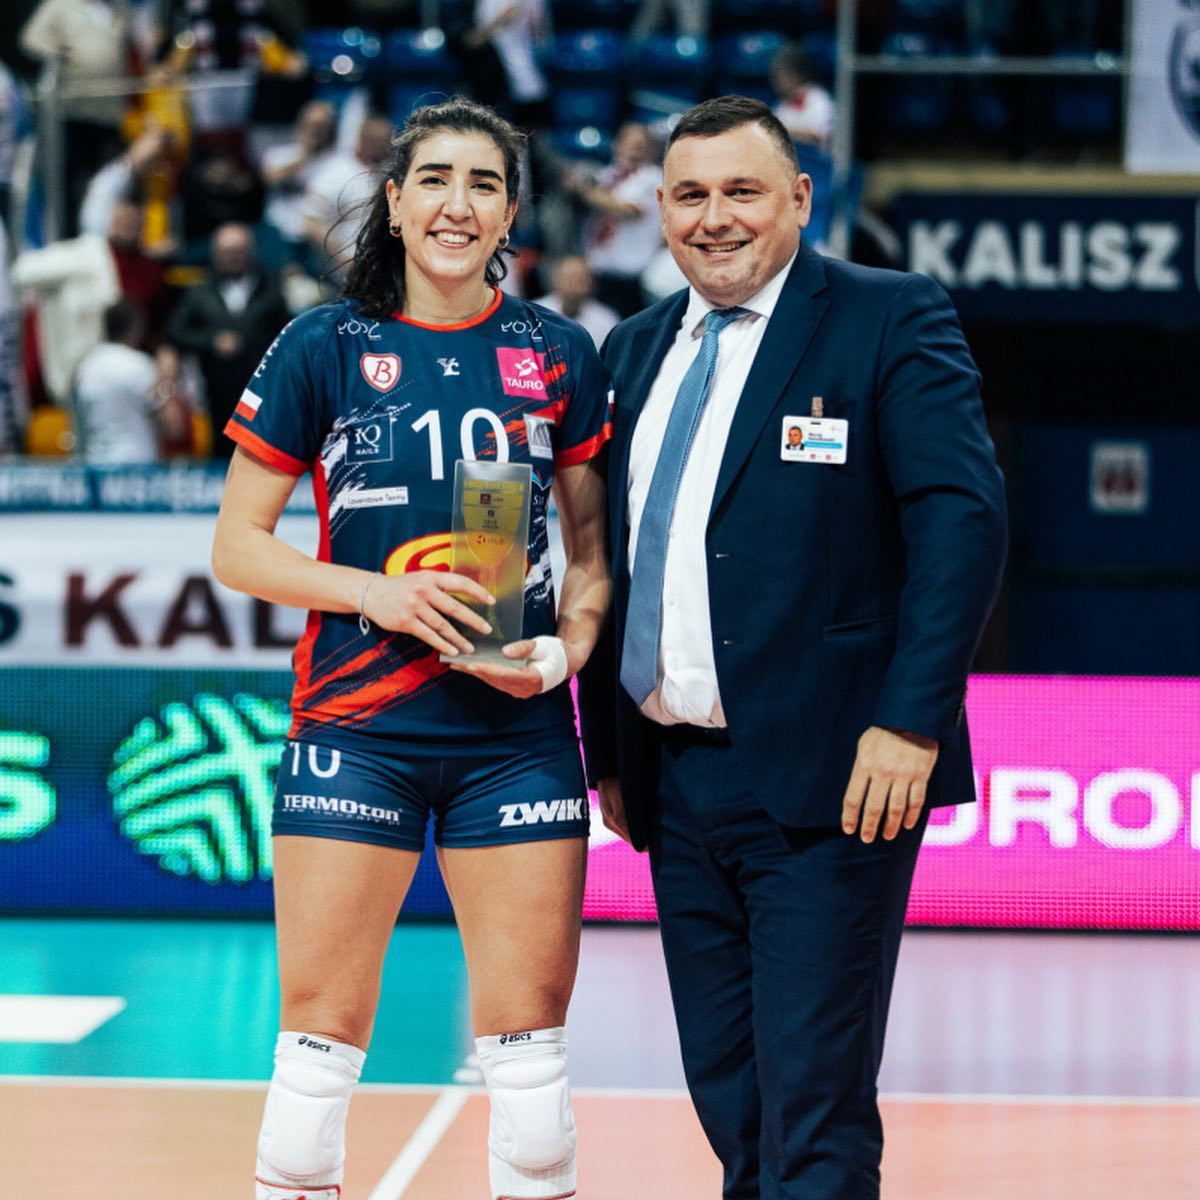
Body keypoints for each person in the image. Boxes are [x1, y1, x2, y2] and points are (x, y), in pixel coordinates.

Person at [577, 96, 1006, 1199]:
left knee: (813, 1105)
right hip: (674, 779)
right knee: (732, 1099)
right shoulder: (632, 348)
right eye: (690, 195)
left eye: (742, 191)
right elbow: (609, 559)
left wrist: (910, 721)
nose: (714, 217)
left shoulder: (887, 316)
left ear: (800, 199)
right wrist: (610, 752)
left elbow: (962, 525)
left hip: (836, 774)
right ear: (660, 209)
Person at [211, 97, 612, 1200]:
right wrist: (373, 596)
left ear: (512, 214)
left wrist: (567, 651)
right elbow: (239, 548)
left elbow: (592, 557)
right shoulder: (324, 344)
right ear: (394, 202)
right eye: (434, 179)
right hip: (357, 732)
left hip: (517, 739)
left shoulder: (558, 352)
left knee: (533, 1092)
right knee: (311, 1079)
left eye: (485, 184)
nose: (457, 204)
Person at [166, 222, 289, 455]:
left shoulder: (271, 289)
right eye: (224, 252)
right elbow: (176, 332)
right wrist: (212, 341)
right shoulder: (199, 291)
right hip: (215, 390)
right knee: (220, 449)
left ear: (250, 252)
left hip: (260, 389)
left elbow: (286, 333)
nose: (230, 258)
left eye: (237, 252)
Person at [565, 122, 663, 319]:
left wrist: (583, 191)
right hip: (598, 270)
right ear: (617, 145)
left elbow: (626, 210)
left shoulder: (653, 178)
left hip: (631, 277)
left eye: (640, 145)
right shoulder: (609, 174)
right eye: (629, 143)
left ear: (652, 150)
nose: (634, 150)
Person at [73, 299, 185, 462]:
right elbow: (174, 427)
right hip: (136, 466)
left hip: (95, 464)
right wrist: (166, 380)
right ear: (136, 327)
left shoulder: (85, 368)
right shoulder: (139, 367)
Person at [534, 255, 619, 351]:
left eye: (581, 279)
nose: (574, 284)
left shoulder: (606, 320)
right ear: (555, 280)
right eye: (569, 278)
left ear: (591, 283)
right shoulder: (533, 314)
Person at [770, 42, 836, 152]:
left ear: (795, 75)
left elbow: (818, 137)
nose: (776, 81)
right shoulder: (782, 105)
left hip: (818, 160)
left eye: (780, 75)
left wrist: (780, 131)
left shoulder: (819, 99)